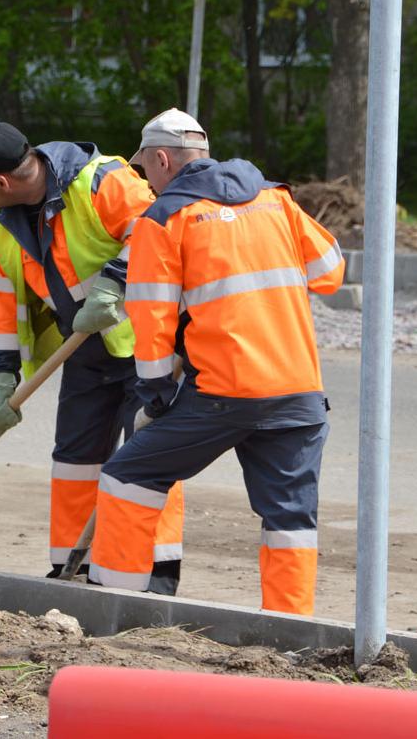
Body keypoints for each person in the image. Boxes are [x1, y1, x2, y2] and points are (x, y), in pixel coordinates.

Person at [88, 109, 345, 615]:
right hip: (298, 391)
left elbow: (151, 316)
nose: (145, 180)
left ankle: (113, 607)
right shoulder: (277, 199)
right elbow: (330, 273)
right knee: (290, 519)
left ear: (163, 159)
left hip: (225, 395)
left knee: (127, 476)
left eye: (146, 170)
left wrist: (156, 393)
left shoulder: (163, 219)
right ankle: (289, 631)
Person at [0, 122, 184, 593]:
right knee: (74, 457)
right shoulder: (2, 226)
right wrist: (0, 378)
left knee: (146, 454)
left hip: (147, 344)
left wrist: (115, 279)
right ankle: (70, 569)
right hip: (86, 350)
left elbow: (160, 226)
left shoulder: (102, 181)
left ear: (2, 183)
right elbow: (5, 304)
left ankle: (155, 572)